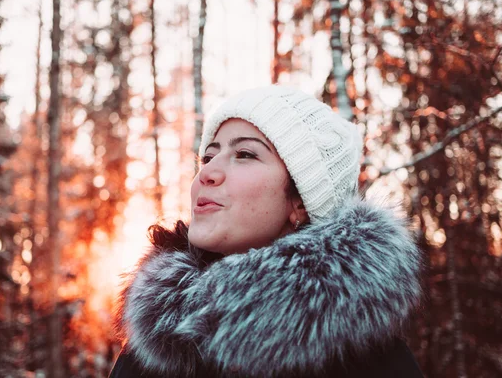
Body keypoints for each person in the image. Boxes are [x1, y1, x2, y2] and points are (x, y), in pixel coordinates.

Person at [108, 85, 424, 377]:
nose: (207, 172)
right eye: (208, 156)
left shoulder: (367, 358)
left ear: (300, 202)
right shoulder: (155, 349)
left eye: (244, 154)